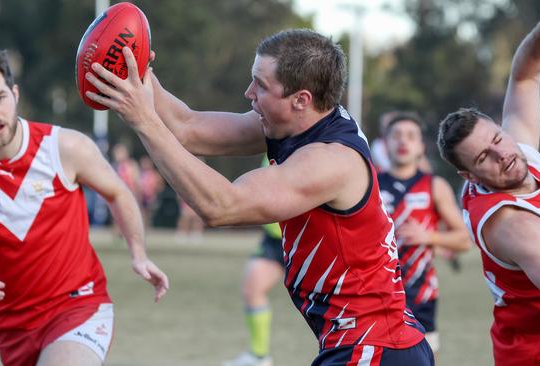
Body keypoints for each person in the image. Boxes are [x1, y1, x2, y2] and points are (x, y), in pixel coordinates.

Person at [85, 29, 433, 365]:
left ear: (301, 100)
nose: (248, 92)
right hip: (366, 343)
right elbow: (187, 127)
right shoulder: (297, 123)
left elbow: (221, 206)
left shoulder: (330, 160)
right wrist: (139, 67)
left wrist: (144, 120)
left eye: (261, 85)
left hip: (376, 346)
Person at [0, 47, 168, 366]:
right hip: (13, 329)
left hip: (79, 306)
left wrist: (138, 253)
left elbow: (118, 192)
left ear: (14, 94)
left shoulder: (64, 147)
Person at [437, 2, 540, 364]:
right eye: (484, 158)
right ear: (469, 176)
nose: (502, 155)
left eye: (497, 139)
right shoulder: (512, 223)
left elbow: (525, 77)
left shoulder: (519, 153)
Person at [378, 112, 471, 355]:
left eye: (410, 136)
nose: (402, 142)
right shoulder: (371, 185)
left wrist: (429, 237)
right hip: (377, 294)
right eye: (396, 136)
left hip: (421, 294)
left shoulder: (434, 186)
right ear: (385, 144)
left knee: (423, 359)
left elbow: (463, 239)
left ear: (421, 147)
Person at [223, 157, 284, 366]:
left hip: (307, 238)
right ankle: (259, 356)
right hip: (274, 240)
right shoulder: (270, 143)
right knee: (252, 288)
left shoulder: (307, 143)